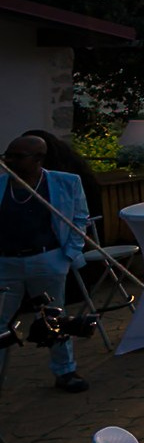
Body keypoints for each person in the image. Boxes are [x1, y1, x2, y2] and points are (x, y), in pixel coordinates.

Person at [1, 134, 90, 391]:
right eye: (7, 155)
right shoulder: (1, 185)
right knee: (1, 323)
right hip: (6, 262)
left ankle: (65, 371)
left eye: (17, 156)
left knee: (54, 317)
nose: (8, 160)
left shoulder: (65, 182)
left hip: (47, 258)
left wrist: (67, 256)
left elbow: (79, 218)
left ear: (38, 159)